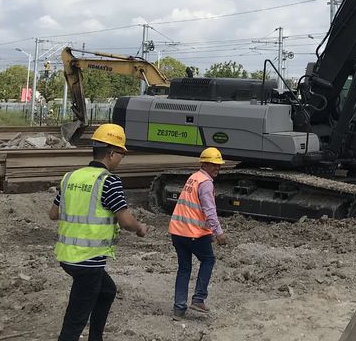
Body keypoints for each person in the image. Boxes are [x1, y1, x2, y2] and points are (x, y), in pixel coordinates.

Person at [50, 123, 148, 341]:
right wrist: (140, 227)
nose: (121, 159)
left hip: (67, 256)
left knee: (107, 291)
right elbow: (125, 221)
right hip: (88, 260)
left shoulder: (70, 177)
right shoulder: (108, 181)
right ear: (111, 153)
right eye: (121, 154)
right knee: (75, 320)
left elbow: (53, 214)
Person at [169, 147, 228, 319]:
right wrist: (218, 232)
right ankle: (199, 298)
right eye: (213, 164)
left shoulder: (193, 178)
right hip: (193, 233)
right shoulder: (206, 183)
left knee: (184, 268)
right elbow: (209, 211)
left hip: (177, 231)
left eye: (218, 164)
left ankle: (179, 308)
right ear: (204, 164)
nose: (217, 167)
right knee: (208, 260)